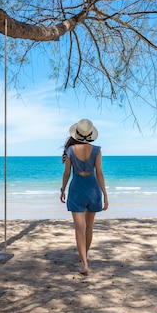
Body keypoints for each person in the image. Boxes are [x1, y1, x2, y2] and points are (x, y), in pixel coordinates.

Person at [60, 118, 108, 276]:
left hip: (77, 190)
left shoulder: (70, 151)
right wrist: (105, 195)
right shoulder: (97, 150)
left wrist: (62, 190)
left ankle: (84, 263)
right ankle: (85, 256)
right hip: (93, 189)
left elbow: (67, 173)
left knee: (79, 229)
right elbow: (99, 173)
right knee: (89, 227)